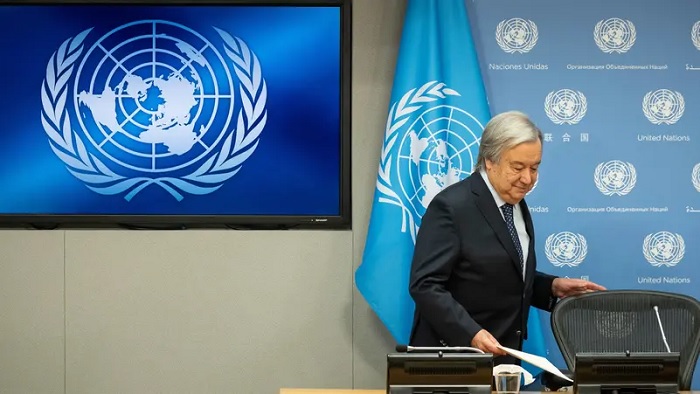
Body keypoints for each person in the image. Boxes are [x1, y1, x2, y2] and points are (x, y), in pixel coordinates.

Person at [407, 110, 605, 364]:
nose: (528, 179)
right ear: (490, 161)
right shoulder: (452, 206)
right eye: (518, 167)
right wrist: (471, 333)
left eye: (534, 168)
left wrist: (551, 286)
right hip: (455, 359)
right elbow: (425, 285)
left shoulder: (515, 203)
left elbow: (497, 273)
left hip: (504, 358)